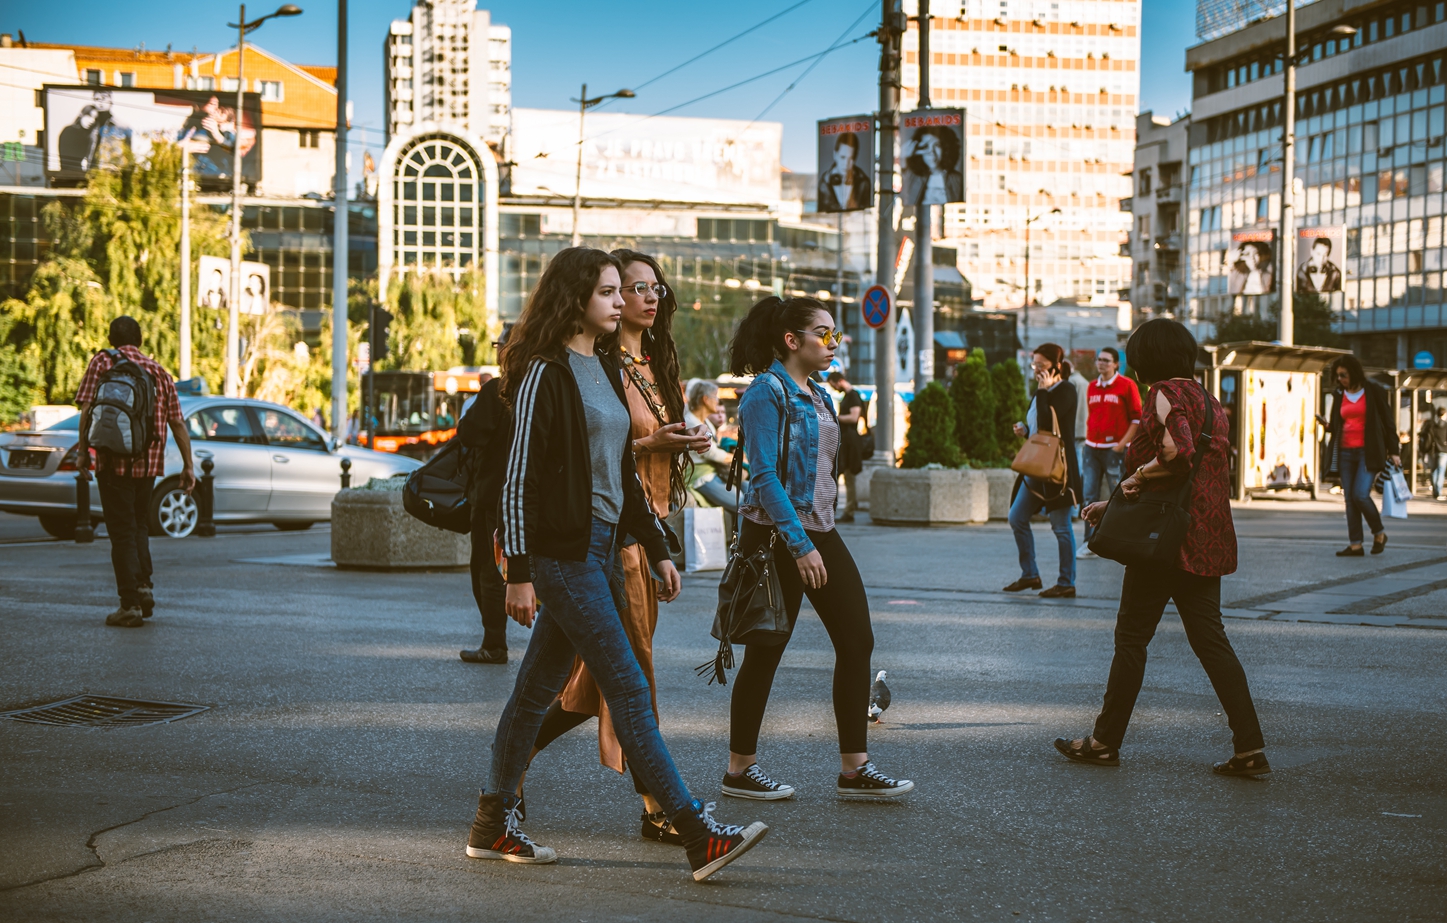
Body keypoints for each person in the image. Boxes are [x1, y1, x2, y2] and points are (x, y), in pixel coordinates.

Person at [468, 247, 767, 883]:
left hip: (603, 546)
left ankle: (491, 823)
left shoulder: (602, 366)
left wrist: (656, 546)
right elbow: (518, 482)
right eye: (608, 292)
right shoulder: (545, 372)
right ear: (577, 299)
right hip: (562, 555)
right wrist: (518, 572)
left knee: (534, 693)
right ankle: (693, 831)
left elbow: (621, 476)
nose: (620, 302)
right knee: (628, 687)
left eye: (618, 291)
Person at [521, 248, 711, 844]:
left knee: (582, 687)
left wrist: (676, 446)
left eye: (656, 288)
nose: (649, 298)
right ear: (596, 297)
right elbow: (560, 467)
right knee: (631, 677)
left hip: (641, 525)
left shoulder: (646, 365)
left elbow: (628, 461)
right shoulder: (581, 367)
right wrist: (518, 571)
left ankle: (507, 775)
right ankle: (665, 808)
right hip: (603, 538)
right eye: (631, 288)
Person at [724, 295, 914, 802]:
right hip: (777, 536)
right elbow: (762, 476)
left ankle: (855, 769)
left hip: (821, 531)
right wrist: (799, 543)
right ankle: (739, 770)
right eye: (824, 334)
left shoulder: (820, 394)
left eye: (835, 334)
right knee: (765, 651)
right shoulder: (767, 392)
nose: (834, 343)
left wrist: (814, 537)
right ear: (792, 341)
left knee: (857, 641)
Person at [1058, 318, 1269, 777]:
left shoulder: (1163, 393)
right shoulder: (1208, 399)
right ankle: (1250, 748)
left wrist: (1132, 478)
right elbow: (1186, 470)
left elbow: (1177, 453)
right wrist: (1111, 502)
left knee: (1131, 639)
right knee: (1212, 642)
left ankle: (1103, 742)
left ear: (1148, 357)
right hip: (1205, 535)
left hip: (1163, 541)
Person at [74, 316, 196, 628]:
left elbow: (87, 409)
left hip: (111, 462)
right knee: (139, 525)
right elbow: (177, 423)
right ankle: (143, 587)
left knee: (121, 532)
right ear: (140, 339)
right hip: (148, 464)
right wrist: (188, 465)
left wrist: (82, 453)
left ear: (112, 338)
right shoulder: (159, 372)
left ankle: (129, 605)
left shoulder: (102, 362)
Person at [1005, 343, 1083, 598]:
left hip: (1058, 469)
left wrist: (1042, 391)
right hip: (1037, 465)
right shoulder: (1042, 391)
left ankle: (1066, 581)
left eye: (1042, 365)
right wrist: (1025, 431)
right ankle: (1030, 574)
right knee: (1017, 517)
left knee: (1061, 527)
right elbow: (1039, 428)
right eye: (1034, 365)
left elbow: (1051, 424)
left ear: (1056, 367)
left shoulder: (1066, 390)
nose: (1037, 370)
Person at [457, 372, 511, 664]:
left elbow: (467, 433)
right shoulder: (547, 380)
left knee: (489, 569)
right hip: (533, 493)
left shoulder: (498, 389)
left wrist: (483, 395)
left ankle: (494, 643)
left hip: (492, 493)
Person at [1324, 354, 1399, 556]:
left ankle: (1379, 533)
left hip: (1368, 451)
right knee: (1349, 498)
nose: (1340, 379)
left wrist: (1394, 451)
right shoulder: (1340, 393)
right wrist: (1328, 426)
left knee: (1360, 494)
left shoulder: (1373, 391)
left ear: (1354, 372)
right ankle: (1355, 544)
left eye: (1343, 375)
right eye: (1337, 375)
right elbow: (1339, 423)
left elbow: (1388, 422)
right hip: (1346, 452)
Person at [1077, 347, 1142, 557]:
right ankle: (1090, 542)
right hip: (1091, 448)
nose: (1101, 363)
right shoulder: (1092, 387)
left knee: (1119, 495)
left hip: (1115, 450)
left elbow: (1136, 418)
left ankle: (1121, 539)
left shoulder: (1127, 385)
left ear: (1116, 364)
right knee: (1089, 496)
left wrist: (1122, 444)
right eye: (1099, 359)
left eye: (1106, 360)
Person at [684, 378, 740, 513]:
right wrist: (734, 458)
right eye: (714, 397)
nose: (717, 400)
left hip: (711, 472)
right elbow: (709, 451)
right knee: (742, 503)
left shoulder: (704, 421)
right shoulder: (691, 422)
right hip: (699, 476)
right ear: (705, 399)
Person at [827, 371, 866, 523]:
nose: (835, 388)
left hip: (851, 441)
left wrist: (835, 417)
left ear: (840, 381)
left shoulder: (853, 396)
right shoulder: (848, 396)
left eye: (834, 385)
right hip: (847, 441)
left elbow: (854, 417)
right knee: (844, 475)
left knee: (849, 476)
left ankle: (849, 510)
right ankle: (846, 509)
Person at [901, 125, 964, 206]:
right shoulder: (911, 176)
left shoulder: (957, 180)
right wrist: (905, 155)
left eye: (937, 145)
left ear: (945, 148)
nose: (931, 152)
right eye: (925, 146)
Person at [818, 131, 871, 212]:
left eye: (851, 159)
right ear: (835, 155)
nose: (846, 163)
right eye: (843, 157)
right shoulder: (823, 184)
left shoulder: (864, 184)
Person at [1429, 405, 1447, 501]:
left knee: (1434, 471)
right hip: (1444, 450)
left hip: (1434, 450)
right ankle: (1438, 492)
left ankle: (1435, 490)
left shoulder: (1433, 426)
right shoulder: (1446, 425)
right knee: (1441, 471)